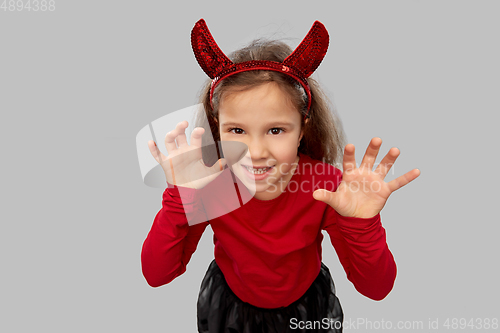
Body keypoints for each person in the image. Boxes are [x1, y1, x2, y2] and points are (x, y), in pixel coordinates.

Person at [141, 19, 420, 333]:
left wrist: (362, 223)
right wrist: (182, 199)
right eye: (237, 130)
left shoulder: (327, 187)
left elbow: (376, 288)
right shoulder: (210, 186)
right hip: (230, 308)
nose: (257, 151)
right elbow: (157, 274)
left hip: (305, 308)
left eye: (276, 130)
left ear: (302, 127)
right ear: (217, 125)